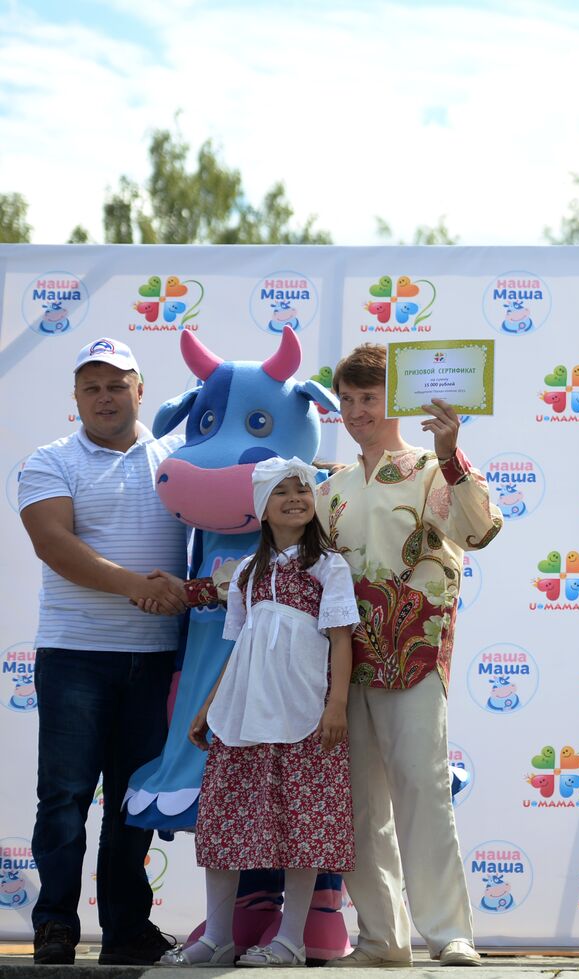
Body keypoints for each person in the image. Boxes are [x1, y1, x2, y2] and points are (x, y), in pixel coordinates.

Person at [317, 343, 502, 968]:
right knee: (358, 805)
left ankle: (450, 931)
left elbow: (478, 531)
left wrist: (452, 456)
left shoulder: (431, 469)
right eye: (346, 400)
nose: (355, 412)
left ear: (393, 401)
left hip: (417, 656)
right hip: (344, 667)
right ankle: (380, 937)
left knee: (424, 791)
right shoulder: (332, 489)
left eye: (368, 399)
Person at [18, 338, 188, 965]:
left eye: (117, 384)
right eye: (91, 387)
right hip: (76, 656)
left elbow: (244, 495)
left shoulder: (177, 458)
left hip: (156, 659)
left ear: (141, 391)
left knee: (133, 801)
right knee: (64, 797)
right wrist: (136, 589)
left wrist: (321, 475)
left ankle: (125, 931)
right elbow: (54, 546)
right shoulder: (50, 460)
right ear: (76, 398)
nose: (105, 397)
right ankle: (56, 925)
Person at [160, 457, 358, 967]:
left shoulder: (327, 567)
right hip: (244, 716)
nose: (294, 498)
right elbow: (240, 646)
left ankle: (291, 939)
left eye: (302, 490)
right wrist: (208, 706)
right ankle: (218, 936)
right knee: (226, 822)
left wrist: (335, 707)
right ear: (261, 508)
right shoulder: (247, 573)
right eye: (280, 492)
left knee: (303, 823)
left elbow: (340, 640)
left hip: (305, 714)